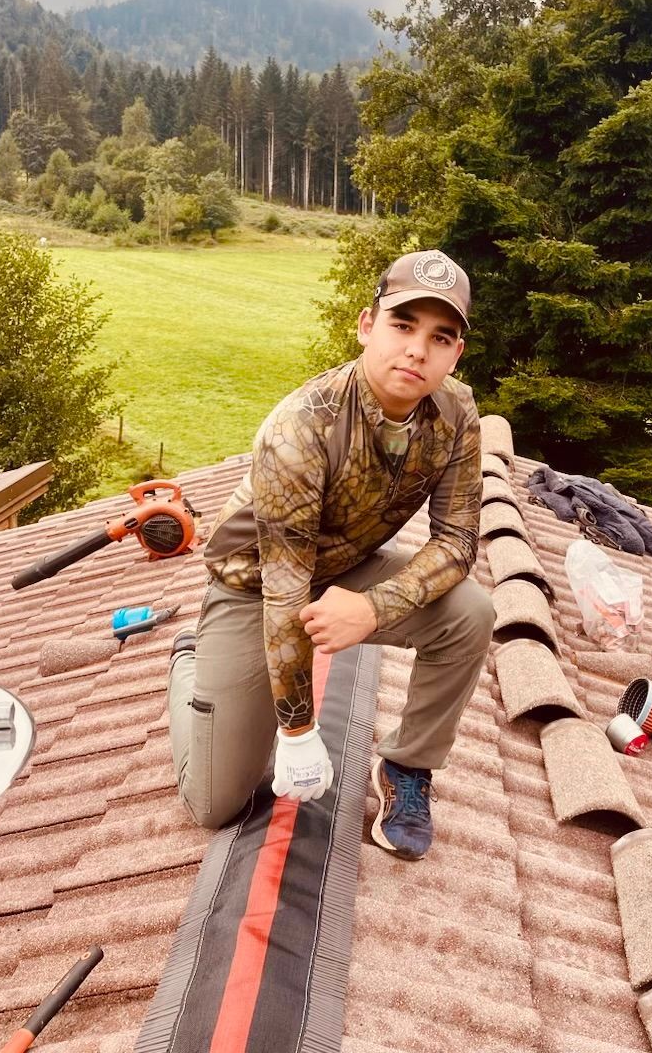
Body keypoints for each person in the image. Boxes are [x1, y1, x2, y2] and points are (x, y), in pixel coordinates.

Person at [167, 249, 494, 860]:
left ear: (456, 353)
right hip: (255, 586)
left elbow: (458, 542)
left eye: (439, 337)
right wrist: (298, 732)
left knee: (470, 612)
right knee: (214, 803)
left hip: (345, 569)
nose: (417, 351)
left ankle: (408, 766)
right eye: (403, 325)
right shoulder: (301, 428)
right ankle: (189, 660)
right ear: (367, 325)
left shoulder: (457, 411)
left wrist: (373, 607)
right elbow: (284, 593)